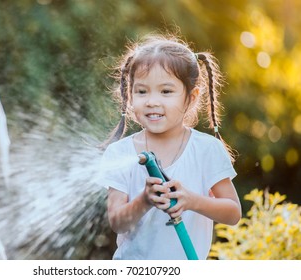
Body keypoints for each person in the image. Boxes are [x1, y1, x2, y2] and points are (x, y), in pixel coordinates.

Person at [99, 33, 241, 260]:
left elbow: (233, 212)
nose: (152, 101)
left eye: (166, 91)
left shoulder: (206, 150)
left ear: (192, 97)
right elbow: (117, 222)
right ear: (129, 95)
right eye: (142, 91)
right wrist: (144, 201)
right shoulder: (119, 153)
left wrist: (192, 201)